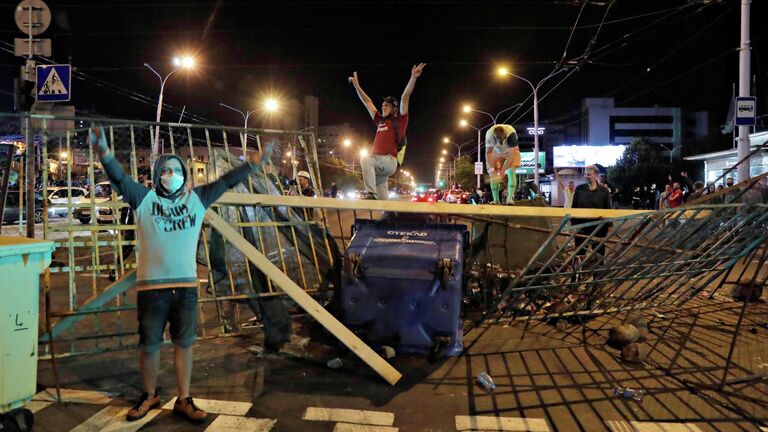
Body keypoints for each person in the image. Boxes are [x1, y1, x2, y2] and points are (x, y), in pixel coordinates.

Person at [90, 126, 262, 425]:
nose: (171, 174)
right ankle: (149, 394)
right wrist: (105, 153)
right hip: (152, 289)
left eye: (176, 170)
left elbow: (226, 181)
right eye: (165, 170)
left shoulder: (197, 199)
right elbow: (119, 179)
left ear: (185, 174)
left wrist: (252, 164)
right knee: (150, 345)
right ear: (157, 176)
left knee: (184, 343)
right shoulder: (144, 200)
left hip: (185, 288)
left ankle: (184, 398)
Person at [348, 63, 425, 200]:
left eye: (386, 106)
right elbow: (367, 102)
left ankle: (370, 193)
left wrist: (413, 77)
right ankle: (387, 216)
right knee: (383, 199)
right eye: (382, 105)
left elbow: (405, 97)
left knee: (365, 159)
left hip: (389, 160)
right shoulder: (380, 121)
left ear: (394, 109)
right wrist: (357, 87)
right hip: (379, 165)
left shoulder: (400, 120)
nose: (383, 107)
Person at [571, 164, 612, 258]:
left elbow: (608, 209)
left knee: (599, 255)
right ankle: (579, 272)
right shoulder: (579, 189)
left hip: (599, 229)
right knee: (579, 254)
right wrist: (573, 225)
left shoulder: (604, 191)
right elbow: (574, 208)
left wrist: (609, 225)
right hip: (581, 228)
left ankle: (597, 272)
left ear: (596, 175)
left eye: (588, 174)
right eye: (585, 174)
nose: (586, 176)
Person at [484, 124, 521, 204]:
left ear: (505, 134)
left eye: (502, 139)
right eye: (498, 140)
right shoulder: (489, 135)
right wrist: (492, 169)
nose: (501, 142)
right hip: (497, 152)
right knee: (492, 173)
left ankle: (509, 199)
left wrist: (502, 171)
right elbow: (488, 153)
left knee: (511, 171)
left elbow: (511, 157)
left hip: (510, 152)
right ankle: (496, 200)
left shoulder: (511, 134)